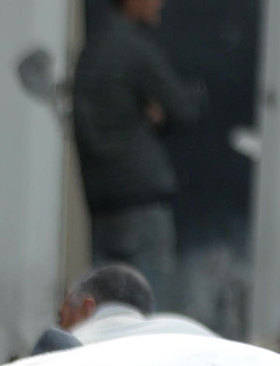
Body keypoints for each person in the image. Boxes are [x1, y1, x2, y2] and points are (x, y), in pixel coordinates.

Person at [73, 0, 206, 302]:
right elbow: (184, 109)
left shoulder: (92, 51)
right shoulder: (134, 50)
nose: (160, 3)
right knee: (148, 316)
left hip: (101, 202)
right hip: (142, 204)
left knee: (109, 313)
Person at [43, 263, 214, 352]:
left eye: (63, 319)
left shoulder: (64, 352)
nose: (61, 329)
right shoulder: (199, 335)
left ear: (88, 308)